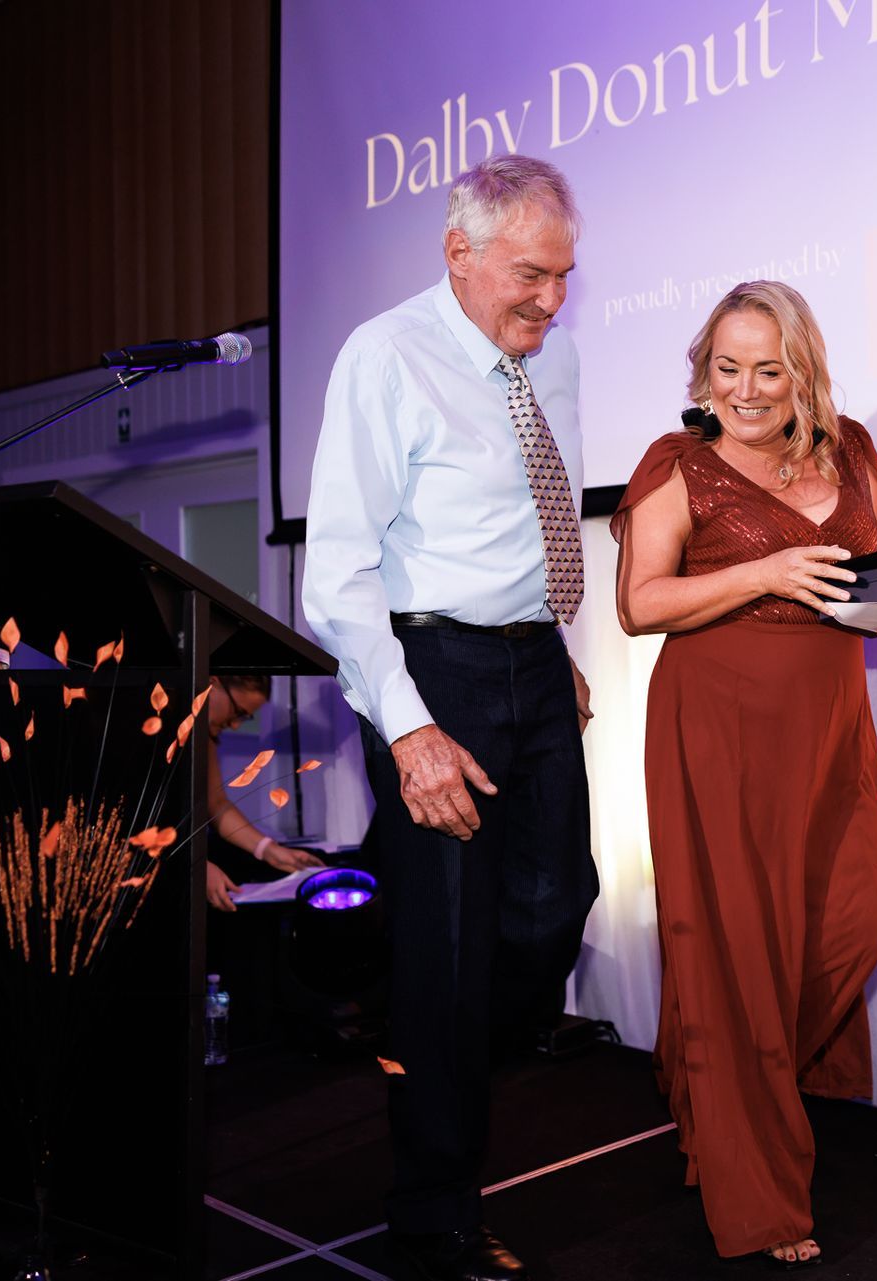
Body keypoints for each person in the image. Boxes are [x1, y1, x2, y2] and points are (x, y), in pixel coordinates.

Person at [301, 155, 598, 1281]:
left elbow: (538, 512)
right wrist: (411, 730)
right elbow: (338, 575)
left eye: (565, 276)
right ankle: (435, 1214)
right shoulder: (386, 356)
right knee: (453, 956)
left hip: (533, 665)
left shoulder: (552, 355)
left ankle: (420, 1031)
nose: (551, 300)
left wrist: (553, 644)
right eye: (531, 274)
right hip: (433, 674)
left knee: (555, 909)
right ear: (458, 252)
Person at [611, 281, 877, 1268]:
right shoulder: (680, 464)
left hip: (829, 720)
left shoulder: (850, 447)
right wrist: (761, 573)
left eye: (768, 369)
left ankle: (723, 1088)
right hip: (717, 726)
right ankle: (758, 1194)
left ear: (802, 368)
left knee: (850, 922)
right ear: (701, 372)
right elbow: (639, 605)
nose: (748, 390)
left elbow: (873, 576)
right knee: (737, 953)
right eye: (728, 368)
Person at [199, 673, 324, 913]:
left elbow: (215, 804)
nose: (235, 725)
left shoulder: (206, 737)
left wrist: (269, 850)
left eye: (244, 718)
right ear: (212, 683)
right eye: (238, 712)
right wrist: (196, 868)